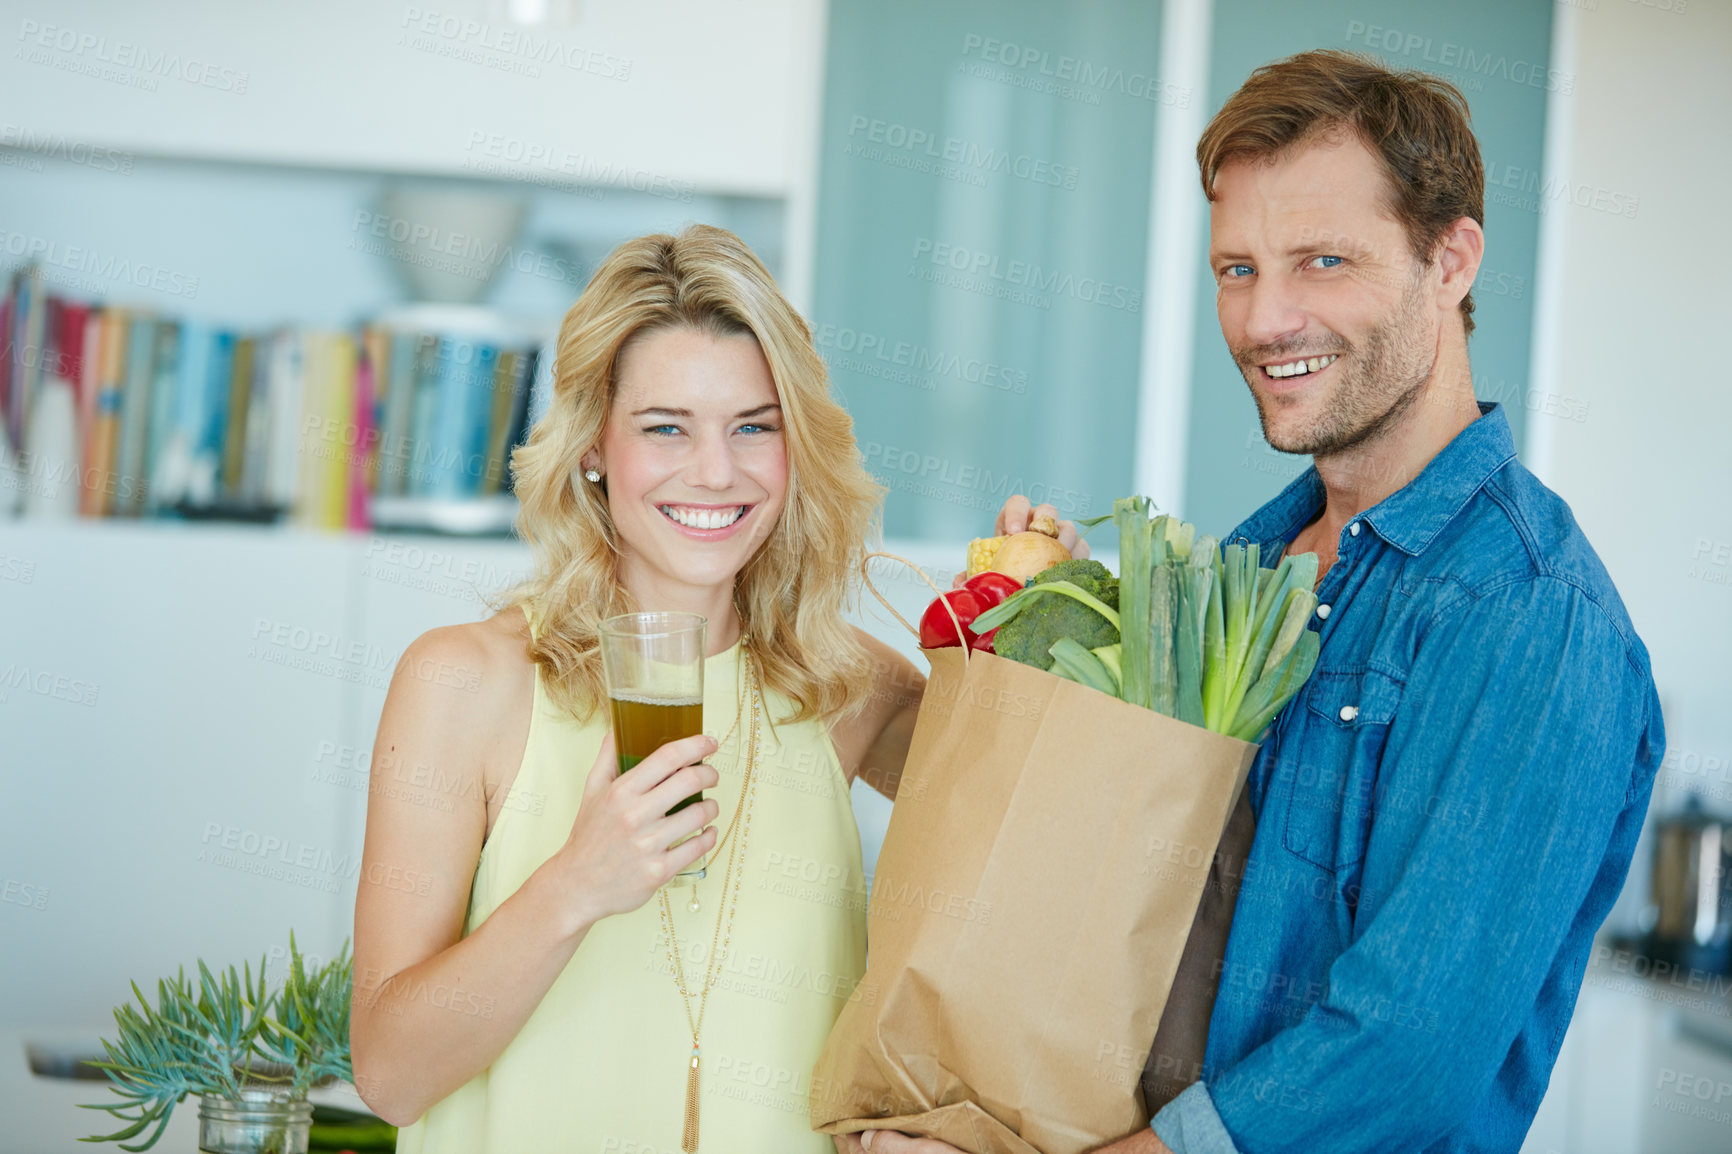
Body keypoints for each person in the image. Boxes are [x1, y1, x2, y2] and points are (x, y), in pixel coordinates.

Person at [856, 49, 1664, 1154]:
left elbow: (1400, 1059)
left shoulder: (1527, 614)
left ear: (1450, 259)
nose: (1264, 318)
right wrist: (1048, 634)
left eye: (1321, 261)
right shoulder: (1244, 567)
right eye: (1235, 270)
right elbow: (1118, 908)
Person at [350, 223, 962, 1150]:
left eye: (754, 427)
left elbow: (1031, 846)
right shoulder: (463, 683)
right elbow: (391, 1075)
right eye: (666, 427)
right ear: (595, 446)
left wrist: (1046, 614)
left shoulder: (846, 684)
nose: (716, 471)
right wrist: (574, 886)